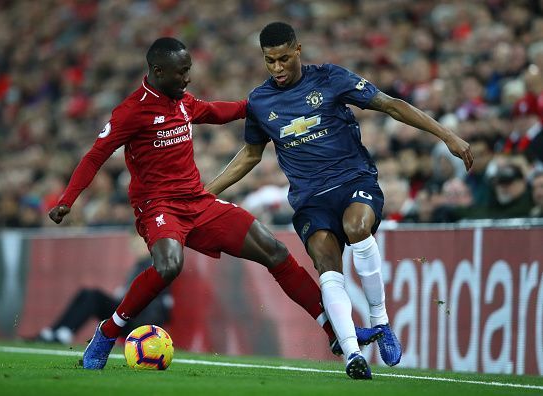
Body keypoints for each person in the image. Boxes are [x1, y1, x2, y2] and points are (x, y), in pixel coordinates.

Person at [48, 37, 381, 376]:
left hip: (198, 202)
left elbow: (221, 111)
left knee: (274, 251)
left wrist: (260, 104)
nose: (187, 78)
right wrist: (66, 201)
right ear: (158, 71)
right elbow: (95, 156)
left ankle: (335, 334)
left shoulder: (182, 102)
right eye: (182, 73)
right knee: (168, 267)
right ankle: (107, 334)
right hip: (158, 207)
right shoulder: (132, 111)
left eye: (189, 70)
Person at [205, 22, 474, 378]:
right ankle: (351, 354)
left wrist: (447, 136)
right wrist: (204, 194)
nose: (278, 68)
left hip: (353, 180)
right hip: (310, 199)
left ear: (298, 50)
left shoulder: (330, 78)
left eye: (284, 58)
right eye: (270, 61)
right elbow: (251, 156)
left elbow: (391, 105)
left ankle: (380, 321)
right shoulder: (260, 101)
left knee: (357, 227)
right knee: (325, 260)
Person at [34, 255, 172, 345]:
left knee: (93, 297)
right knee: (86, 293)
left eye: (137, 241)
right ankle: (56, 330)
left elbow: (160, 298)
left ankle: (64, 332)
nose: (134, 246)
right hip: (129, 313)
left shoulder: (154, 263)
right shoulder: (140, 264)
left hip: (139, 320)